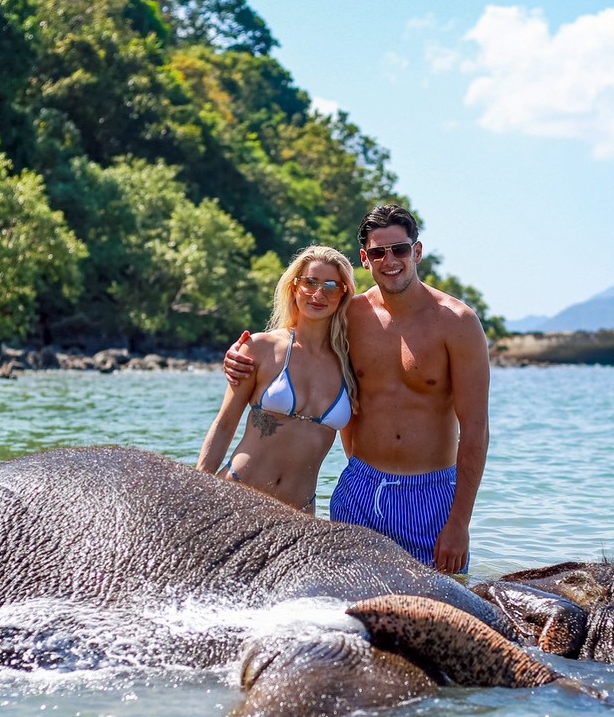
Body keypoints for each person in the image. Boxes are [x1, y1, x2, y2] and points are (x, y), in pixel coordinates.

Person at [225, 205, 490, 573]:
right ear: (365, 259)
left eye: (399, 249)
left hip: (432, 494)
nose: (390, 260)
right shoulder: (351, 316)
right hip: (361, 489)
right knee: (351, 613)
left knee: (442, 613)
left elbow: (475, 430)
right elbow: (298, 342)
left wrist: (459, 522)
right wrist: (239, 356)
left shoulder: (457, 323)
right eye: (379, 252)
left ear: (416, 252)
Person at [196, 245, 357, 515]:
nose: (319, 294)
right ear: (294, 287)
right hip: (238, 497)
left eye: (331, 285)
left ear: (344, 293)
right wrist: (198, 488)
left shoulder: (351, 364)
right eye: (310, 282)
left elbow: (355, 452)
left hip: (300, 515)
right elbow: (225, 424)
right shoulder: (261, 348)